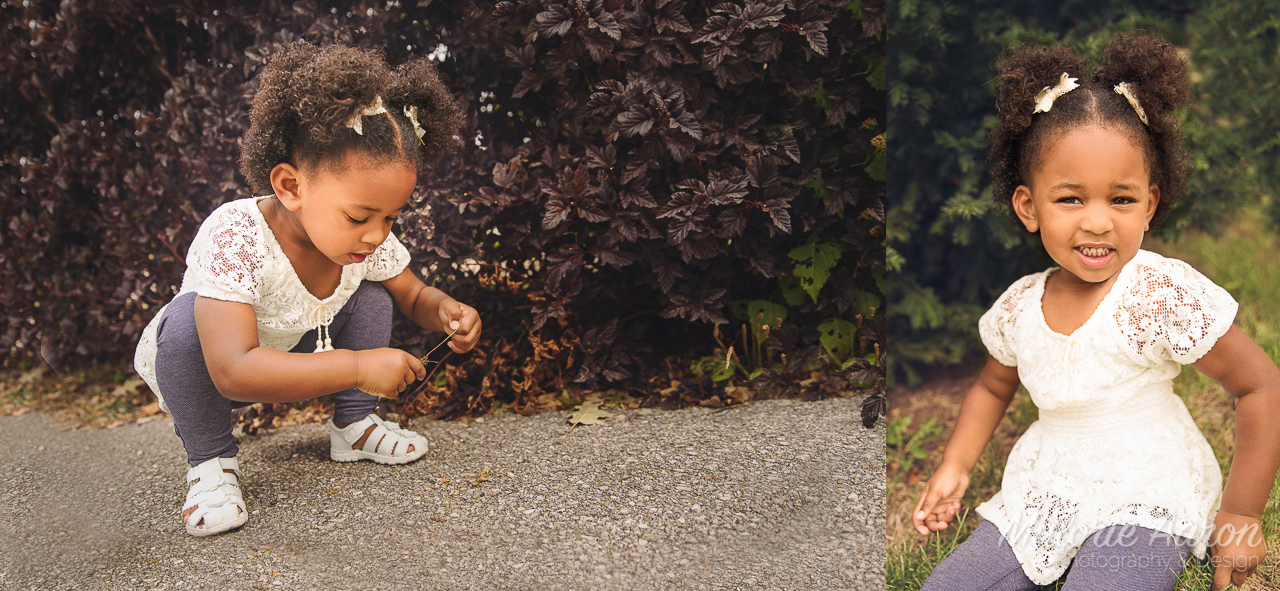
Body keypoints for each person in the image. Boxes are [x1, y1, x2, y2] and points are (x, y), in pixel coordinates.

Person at [912, 31, 1280, 591]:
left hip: (1147, 492)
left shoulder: (1157, 293)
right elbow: (992, 387)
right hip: (1046, 488)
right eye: (1071, 198)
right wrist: (955, 465)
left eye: (1122, 198)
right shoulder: (1018, 306)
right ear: (1028, 207)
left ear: (1150, 204)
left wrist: (1242, 515)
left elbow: (1262, 388)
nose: (1099, 221)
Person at [133, 42, 478, 538]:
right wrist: (358, 366)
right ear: (291, 187)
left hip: (299, 346)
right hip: (217, 370)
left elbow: (412, 295)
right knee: (184, 326)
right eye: (360, 216)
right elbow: (233, 372)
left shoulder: (366, 242)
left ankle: (353, 427)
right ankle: (211, 463)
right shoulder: (236, 235)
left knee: (373, 296)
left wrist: (447, 310)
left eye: (391, 217)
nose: (378, 234)